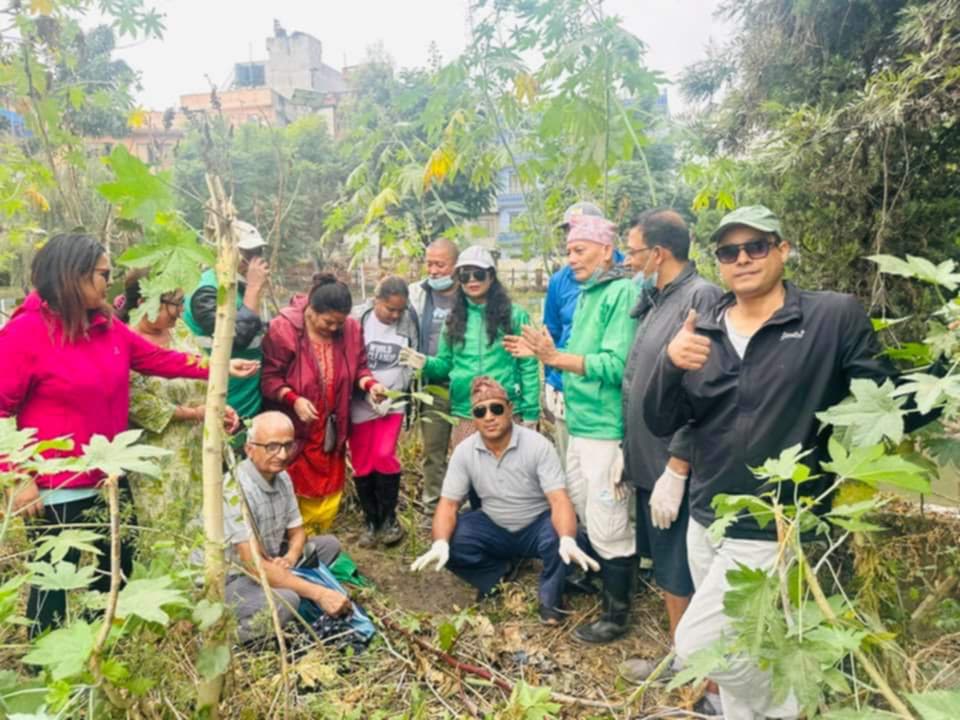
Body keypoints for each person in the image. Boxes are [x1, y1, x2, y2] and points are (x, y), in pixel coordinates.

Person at [642, 205, 939, 719]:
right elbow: (662, 420)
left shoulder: (831, 317)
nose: (742, 259)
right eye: (729, 252)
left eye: (756, 246)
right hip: (708, 516)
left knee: (698, 643)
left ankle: (787, 705)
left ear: (783, 250)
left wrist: (944, 377)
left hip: (776, 523)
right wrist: (669, 365)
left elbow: (886, 403)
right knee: (748, 649)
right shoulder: (704, 329)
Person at [0, 234, 257, 633]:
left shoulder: (106, 328)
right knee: (53, 585)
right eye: (104, 274)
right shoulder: (25, 333)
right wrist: (17, 475)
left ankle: (98, 648)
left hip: (111, 479)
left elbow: (157, 358)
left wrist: (218, 366)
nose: (110, 283)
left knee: (115, 574)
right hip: (57, 487)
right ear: (73, 275)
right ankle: (48, 656)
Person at [505, 214, 638, 644]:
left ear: (606, 250)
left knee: (609, 516)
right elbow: (570, 350)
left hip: (606, 428)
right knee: (584, 505)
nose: (571, 259)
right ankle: (599, 581)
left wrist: (554, 358)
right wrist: (542, 353)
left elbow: (617, 365)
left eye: (580, 250)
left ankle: (618, 614)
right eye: (568, 251)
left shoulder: (621, 292)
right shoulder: (586, 292)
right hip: (580, 424)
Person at [615, 211, 723, 697]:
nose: (627, 258)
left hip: (674, 468)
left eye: (633, 250)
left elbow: (706, 393)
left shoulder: (701, 299)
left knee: (684, 570)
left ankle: (706, 682)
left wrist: (678, 465)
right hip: (646, 459)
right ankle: (684, 661)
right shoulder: (657, 299)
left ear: (658, 253)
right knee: (666, 568)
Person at [409, 377, 597, 624]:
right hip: (493, 525)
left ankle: (550, 598)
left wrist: (567, 538)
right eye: (480, 412)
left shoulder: (537, 445)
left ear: (509, 409)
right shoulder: (464, 452)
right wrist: (440, 542)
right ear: (474, 418)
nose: (489, 417)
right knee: (452, 540)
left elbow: (559, 499)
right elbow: (448, 504)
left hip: (537, 525)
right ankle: (496, 577)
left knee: (567, 538)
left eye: (496, 408)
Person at [261, 274, 387, 532]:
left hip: (332, 429)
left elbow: (360, 368)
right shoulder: (283, 329)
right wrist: (294, 400)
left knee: (329, 491)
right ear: (311, 309)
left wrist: (370, 385)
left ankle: (319, 539)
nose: (334, 328)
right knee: (293, 490)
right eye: (328, 322)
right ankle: (295, 543)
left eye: (339, 323)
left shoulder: (350, 329)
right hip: (297, 432)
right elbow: (270, 378)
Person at [119, 269, 238, 529]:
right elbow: (136, 403)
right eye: (175, 304)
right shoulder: (124, 341)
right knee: (166, 529)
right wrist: (194, 413)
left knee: (207, 524)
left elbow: (200, 369)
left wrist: (219, 409)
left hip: (200, 448)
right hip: (159, 458)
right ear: (145, 303)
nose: (181, 311)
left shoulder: (180, 331)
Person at [222, 412, 351, 643]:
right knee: (288, 601)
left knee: (329, 545)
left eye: (287, 446)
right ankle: (228, 637)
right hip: (234, 578)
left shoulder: (283, 478)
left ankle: (287, 584)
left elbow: (297, 531)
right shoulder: (235, 489)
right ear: (250, 449)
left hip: (271, 560)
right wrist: (319, 593)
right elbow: (252, 565)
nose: (282, 455)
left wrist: (290, 558)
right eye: (272, 447)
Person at [400, 245, 539, 448]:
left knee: (509, 465)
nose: (472, 280)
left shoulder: (514, 315)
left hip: (505, 408)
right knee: (469, 465)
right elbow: (446, 364)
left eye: (478, 274)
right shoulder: (453, 319)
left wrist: (531, 412)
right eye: (465, 276)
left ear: (491, 276)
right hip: (466, 410)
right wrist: (425, 363)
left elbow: (528, 365)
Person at [349, 276, 419, 547]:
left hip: (393, 401)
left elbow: (413, 357)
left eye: (400, 310)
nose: (395, 315)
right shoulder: (359, 320)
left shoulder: (408, 321)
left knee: (383, 455)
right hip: (361, 400)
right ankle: (371, 520)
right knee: (362, 462)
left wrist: (404, 388)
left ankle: (389, 518)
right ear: (376, 301)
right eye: (390, 309)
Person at [184, 220, 270, 422]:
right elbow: (236, 338)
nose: (254, 262)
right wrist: (254, 288)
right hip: (223, 398)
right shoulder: (206, 290)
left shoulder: (238, 286)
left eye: (257, 253)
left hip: (249, 398)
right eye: (248, 254)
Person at [542, 201, 604, 468]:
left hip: (605, 390)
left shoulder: (624, 274)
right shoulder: (560, 280)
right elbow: (552, 332)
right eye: (569, 231)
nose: (573, 235)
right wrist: (550, 382)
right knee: (571, 467)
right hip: (565, 387)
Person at [408, 238, 459, 507]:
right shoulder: (417, 294)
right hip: (432, 385)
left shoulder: (470, 293)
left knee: (468, 449)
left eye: (440, 265)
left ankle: (469, 505)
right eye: (429, 264)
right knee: (433, 449)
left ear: (455, 265)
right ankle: (432, 504)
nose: (434, 270)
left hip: (464, 385)